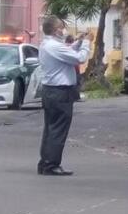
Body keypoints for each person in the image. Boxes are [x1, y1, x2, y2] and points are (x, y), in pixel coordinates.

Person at [37, 16, 90, 176]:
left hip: (51, 91)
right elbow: (80, 58)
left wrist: (79, 42)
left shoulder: (48, 45)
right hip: (60, 92)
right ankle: (51, 164)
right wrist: (87, 43)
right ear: (55, 30)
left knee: (51, 128)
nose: (63, 30)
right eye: (61, 27)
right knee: (58, 129)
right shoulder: (54, 46)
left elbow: (68, 51)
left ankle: (45, 162)